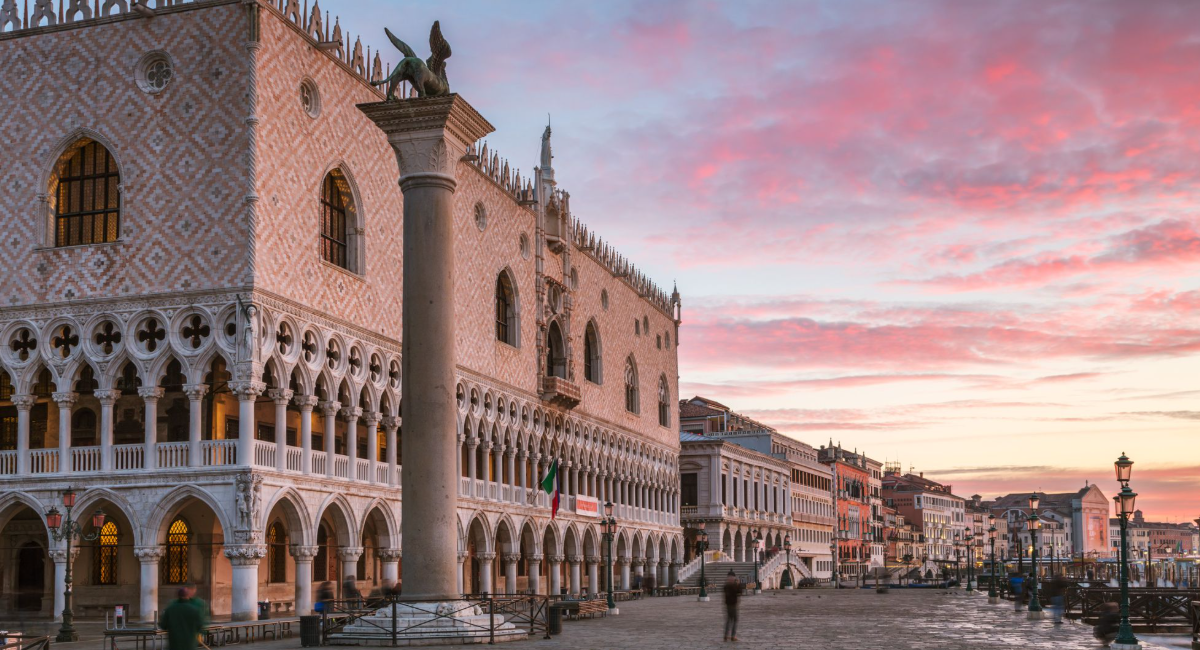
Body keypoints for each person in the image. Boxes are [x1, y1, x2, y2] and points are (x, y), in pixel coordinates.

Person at [160, 586, 208, 650]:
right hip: (189, 644)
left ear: (178, 596)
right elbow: (200, 625)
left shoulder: (170, 609)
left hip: (174, 644)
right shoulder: (195, 610)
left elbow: (163, 625)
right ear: (188, 596)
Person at [723, 570, 741, 642]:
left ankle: (726, 635)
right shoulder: (731, 586)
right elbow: (739, 592)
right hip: (732, 605)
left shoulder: (726, 586)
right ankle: (732, 636)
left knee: (728, 620)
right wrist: (738, 584)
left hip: (728, 605)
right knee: (735, 620)